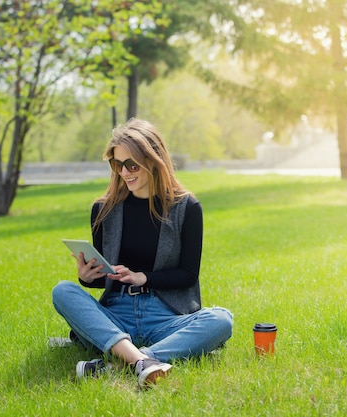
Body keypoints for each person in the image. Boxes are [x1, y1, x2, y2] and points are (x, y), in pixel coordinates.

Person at [52, 118, 233, 388]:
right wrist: (87, 277)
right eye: (117, 164)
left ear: (153, 159)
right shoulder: (103, 210)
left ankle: (123, 361)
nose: (125, 172)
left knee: (221, 319)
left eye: (132, 164)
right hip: (117, 313)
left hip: (165, 315)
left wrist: (143, 278)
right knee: (62, 291)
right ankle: (142, 359)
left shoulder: (187, 208)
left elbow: (188, 275)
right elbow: (105, 278)